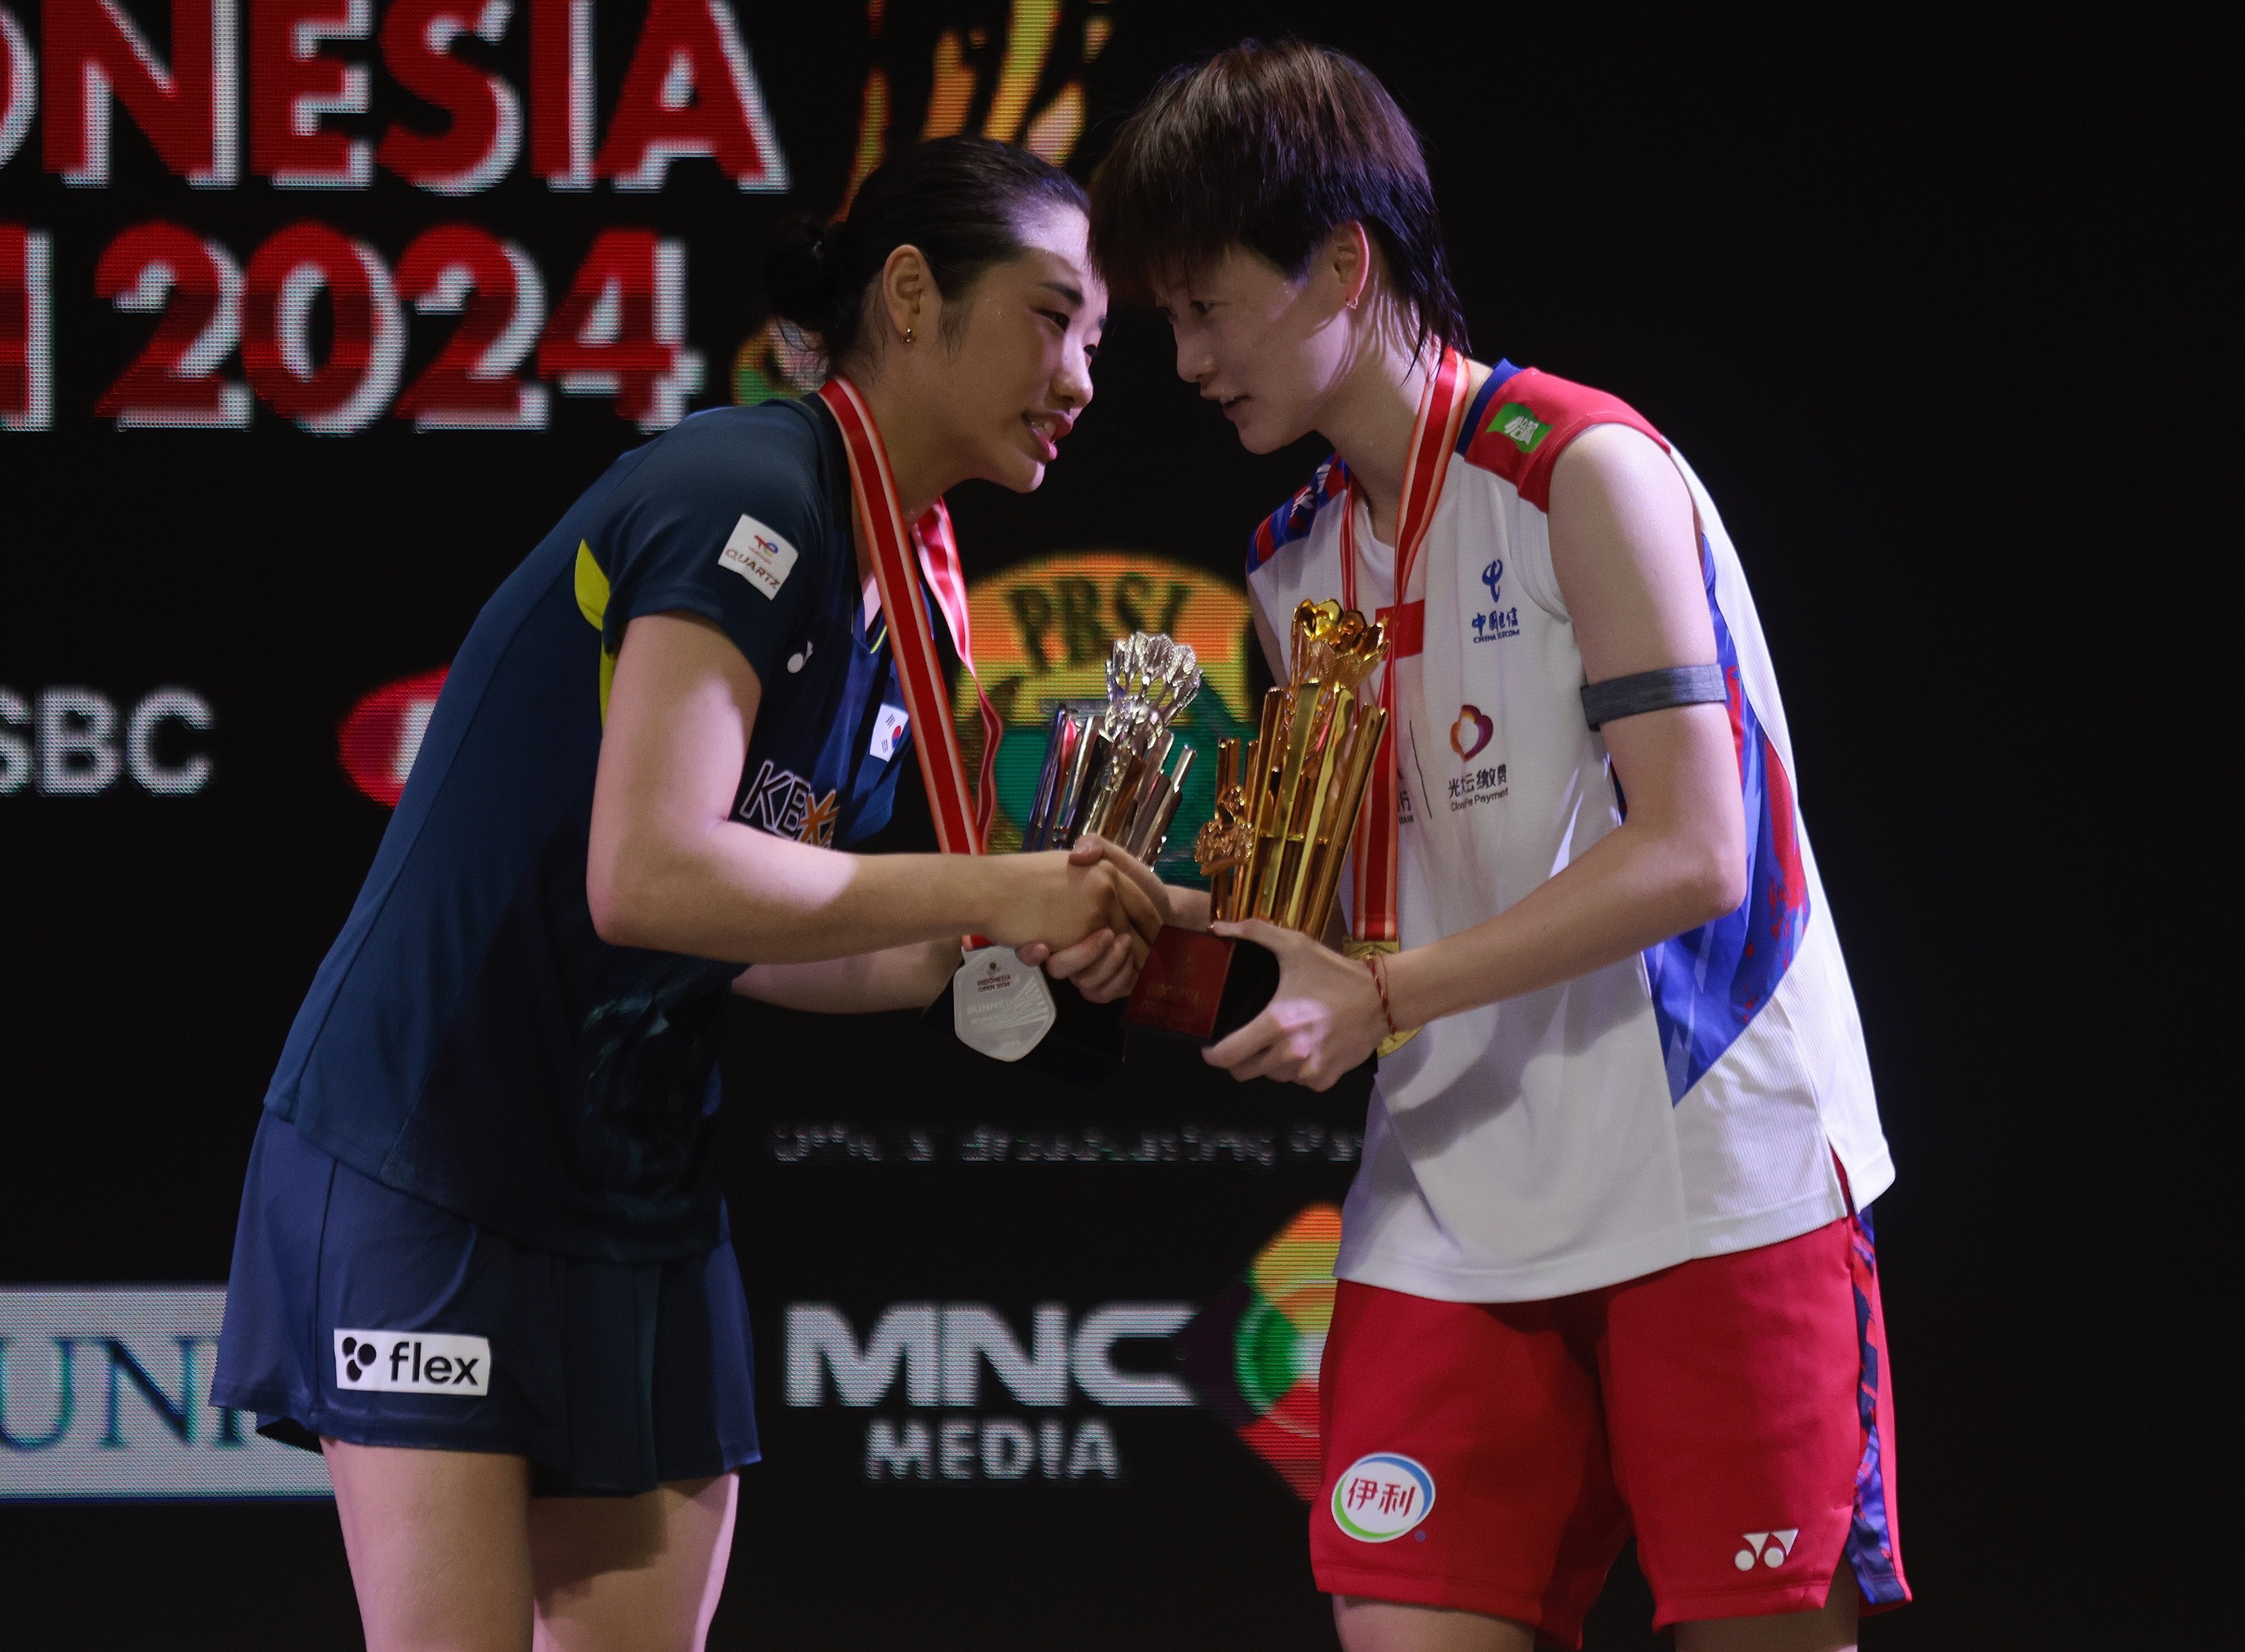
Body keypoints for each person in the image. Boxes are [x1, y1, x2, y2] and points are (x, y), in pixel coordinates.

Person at [212, 135, 1166, 1652]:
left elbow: (754, 938)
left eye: (1098, 342)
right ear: (911, 296)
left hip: (635, 1181)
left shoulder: (907, 581)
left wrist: (983, 947)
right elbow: (649, 873)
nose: (1082, 379)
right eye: (1056, 320)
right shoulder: (749, 486)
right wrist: (1001, 881)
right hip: (427, 1151)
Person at [1090, 42, 1908, 1652]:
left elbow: (1694, 853)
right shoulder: (1295, 554)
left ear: (1344, 264)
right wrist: (1153, 922)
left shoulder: (1582, 470)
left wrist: (1383, 1000)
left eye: (1204, 307)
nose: (1181, 360)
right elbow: (1350, 887)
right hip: (1453, 1186)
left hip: (1706, 1172)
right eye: (1165, 318)